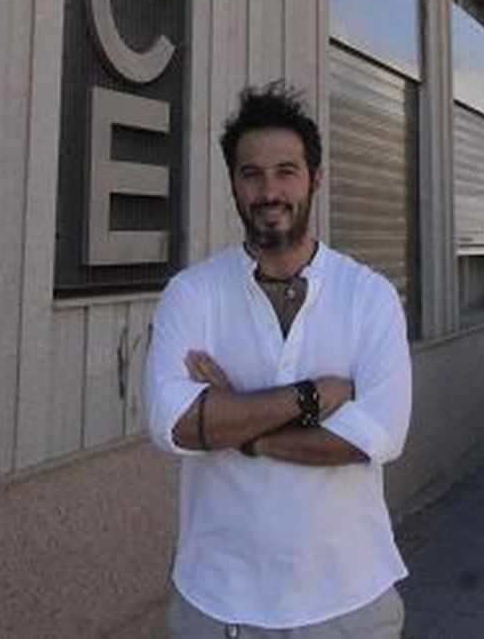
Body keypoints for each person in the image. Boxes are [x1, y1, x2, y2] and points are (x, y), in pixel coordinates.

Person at [145, 81, 412, 637]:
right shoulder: (192, 294)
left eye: (286, 171)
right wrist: (311, 397)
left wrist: (242, 428)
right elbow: (172, 425)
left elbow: (377, 438)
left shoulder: (369, 296)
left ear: (315, 178)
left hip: (349, 599)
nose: (270, 190)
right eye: (251, 174)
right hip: (218, 600)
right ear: (234, 187)